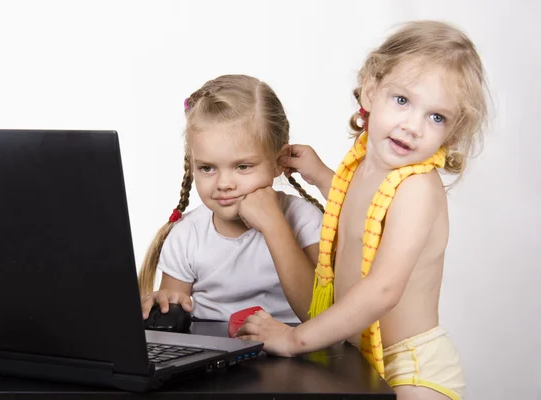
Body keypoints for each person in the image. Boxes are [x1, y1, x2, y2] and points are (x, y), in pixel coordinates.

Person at [236, 20, 489, 400]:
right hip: (362, 356)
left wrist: (293, 339)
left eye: (436, 117)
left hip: (410, 366)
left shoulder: (418, 188)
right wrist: (323, 176)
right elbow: (363, 208)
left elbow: (383, 289)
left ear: (451, 132)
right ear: (370, 91)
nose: (412, 126)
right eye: (402, 101)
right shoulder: (364, 165)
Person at [138, 74, 324, 324]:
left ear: (279, 162)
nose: (224, 184)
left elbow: (319, 314)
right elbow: (174, 319)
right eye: (207, 168)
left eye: (243, 167)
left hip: (297, 354)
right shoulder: (187, 235)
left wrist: (274, 225)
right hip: (213, 357)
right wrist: (162, 304)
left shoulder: (305, 220)